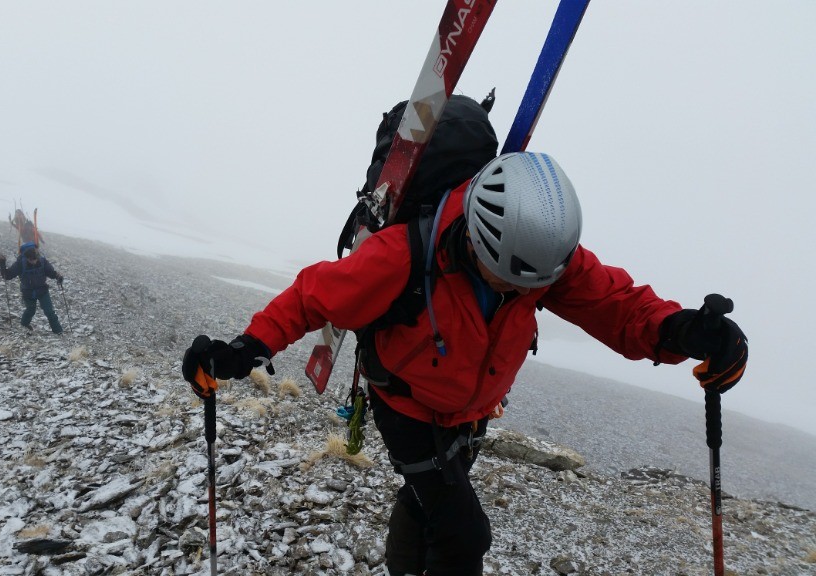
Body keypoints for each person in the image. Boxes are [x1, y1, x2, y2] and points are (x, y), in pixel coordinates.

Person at [181, 151, 748, 575]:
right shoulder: (400, 256)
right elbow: (312, 297)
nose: (529, 292)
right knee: (464, 535)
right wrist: (246, 348)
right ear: (477, 241)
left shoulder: (539, 256)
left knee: (426, 502)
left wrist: (681, 332)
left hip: (471, 412)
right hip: (405, 405)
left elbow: (614, 304)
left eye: (541, 283)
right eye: (513, 281)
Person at [0, 242, 64, 334]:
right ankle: (24, 325)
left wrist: (58, 277)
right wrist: (2, 263)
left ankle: (58, 331)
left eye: (35, 259)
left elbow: (51, 272)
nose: (34, 261)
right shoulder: (20, 263)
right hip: (28, 292)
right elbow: (7, 275)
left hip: (42, 290)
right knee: (30, 310)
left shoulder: (42, 261)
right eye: (31, 260)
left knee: (49, 311)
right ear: (26, 258)